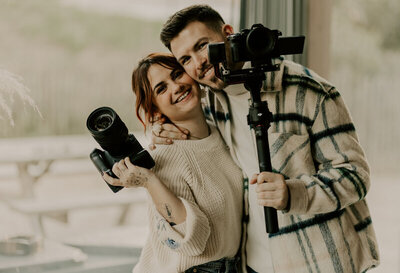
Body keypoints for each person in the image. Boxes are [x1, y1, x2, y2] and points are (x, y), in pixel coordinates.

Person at [150, 5, 380, 273]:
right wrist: (160, 127)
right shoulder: (211, 100)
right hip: (253, 262)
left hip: (320, 261)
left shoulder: (308, 91)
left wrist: (295, 193)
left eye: (202, 46)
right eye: (185, 60)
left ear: (228, 33)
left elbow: (355, 175)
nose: (199, 63)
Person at [103, 52, 244, 273]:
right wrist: (150, 181)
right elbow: (192, 242)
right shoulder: (164, 158)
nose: (176, 87)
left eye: (177, 75)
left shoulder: (223, 131)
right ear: (155, 109)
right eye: (161, 89)